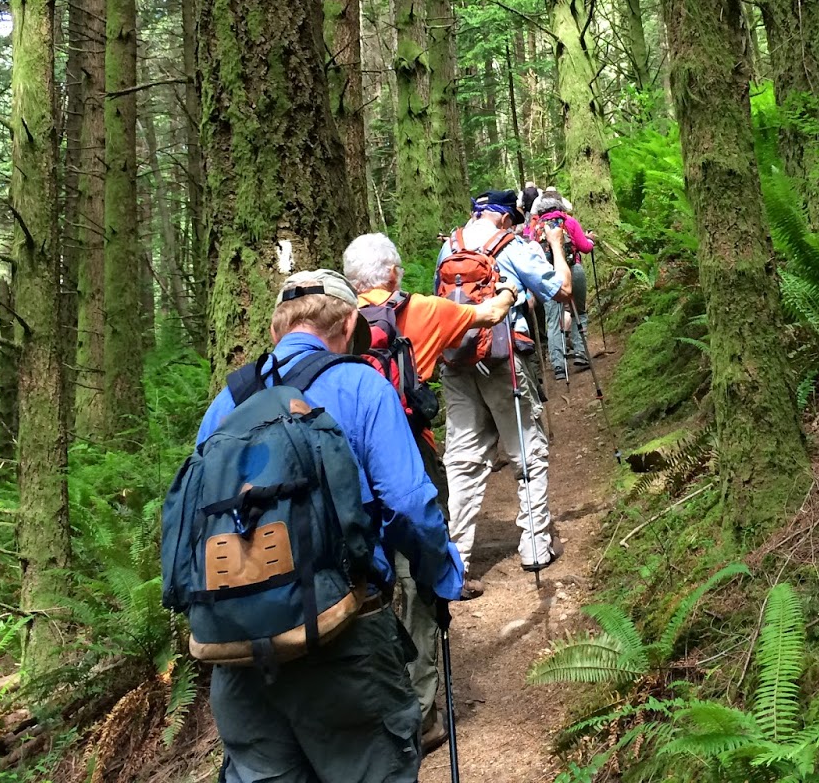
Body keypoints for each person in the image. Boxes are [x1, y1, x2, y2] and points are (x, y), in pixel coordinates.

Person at [195, 270, 464, 783]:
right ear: (346, 324)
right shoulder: (362, 384)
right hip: (344, 641)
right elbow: (408, 504)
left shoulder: (225, 405)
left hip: (240, 657)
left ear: (277, 332)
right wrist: (441, 577)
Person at [342, 232, 519, 751]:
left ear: (353, 282)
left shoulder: (339, 325)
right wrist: (508, 293)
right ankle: (421, 714)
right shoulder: (421, 311)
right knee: (417, 582)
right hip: (408, 453)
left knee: (371, 587)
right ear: (394, 273)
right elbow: (487, 317)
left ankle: (373, 707)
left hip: (348, 467)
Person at [437, 189, 571, 576]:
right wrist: (556, 247)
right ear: (505, 218)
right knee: (527, 448)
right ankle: (535, 545)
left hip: (456, 361)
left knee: (462, 459)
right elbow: (561, 291)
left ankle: (456, 560)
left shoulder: (449, 247)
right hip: (502, 357)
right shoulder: (511, 245)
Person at [526, 188, 596, 381]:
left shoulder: (536, 229)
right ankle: (581, 354)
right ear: (560, 205)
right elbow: (584, 247)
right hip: (574, 270)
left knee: (553, 319)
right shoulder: (569, 222)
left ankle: (558, 365)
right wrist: (591, 241)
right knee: (578, 312)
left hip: (547, 277)